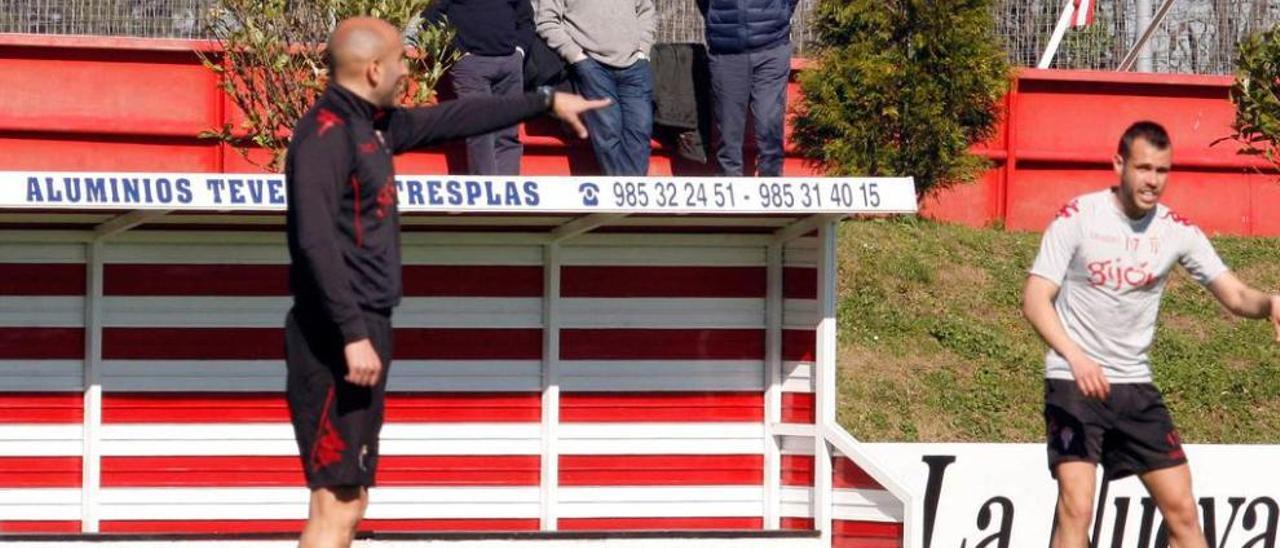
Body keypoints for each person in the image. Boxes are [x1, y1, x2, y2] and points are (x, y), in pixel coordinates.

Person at [284, 17, 607, 548]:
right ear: (373, 69)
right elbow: (314, 241)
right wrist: (351, 333)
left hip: (363, 329)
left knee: (352, 496)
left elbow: (454, 117)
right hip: (333, 338)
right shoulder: (325, 135)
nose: (408, 69)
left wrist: (544, 102)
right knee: (335, 499)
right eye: (401, 61)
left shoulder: (374, 125)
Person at [1022, 121, 1280, 548]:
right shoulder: (1078, 217)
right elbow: (1035, 299)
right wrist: (1074, 356)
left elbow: (1234, 295)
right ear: (1119, 164)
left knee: (1182, 511)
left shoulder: (1175, 230)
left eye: (1162, 170)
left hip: (1134, 387)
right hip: (1073, 382)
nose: (1152, 181)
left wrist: (1269, 303)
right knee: (1077, 505)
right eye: (1143, 168)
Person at [536, 0, 655, 175]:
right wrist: (576, 56)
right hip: (592, 65)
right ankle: (618, 195)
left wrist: (643, 50)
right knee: (608, 132)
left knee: (640, 131)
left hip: (634, 66)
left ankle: (633, 193)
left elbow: (646, 12)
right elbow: (546, 20)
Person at [424, 0, 535, 175]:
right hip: (471, 66)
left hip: (509, 65)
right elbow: (430, 17)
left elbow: (526, 18)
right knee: (480, 133)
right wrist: (457, 51)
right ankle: (487, 194)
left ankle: (507, 195)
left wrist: (520, 50)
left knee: (508, 134)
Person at [698, 0, 798, 177]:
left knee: (770, 130)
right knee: (728, 141)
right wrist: (718, 19)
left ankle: (771, 193)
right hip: (726, 50)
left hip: (772, 48)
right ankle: (730, 196)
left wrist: (779, 14)